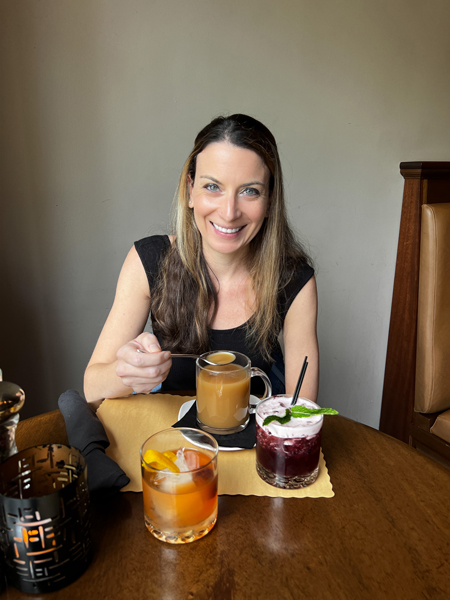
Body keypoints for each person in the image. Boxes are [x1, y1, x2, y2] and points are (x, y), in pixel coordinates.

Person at [84, 114, 318, 404]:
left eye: (250, 191)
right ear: (189, 190)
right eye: (212, 187)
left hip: (249, 437)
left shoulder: (294, 280)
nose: (229, 212)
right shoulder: (149, 259)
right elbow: (92, 388)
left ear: (269, 201)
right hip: (165, 441)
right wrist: (127, 373)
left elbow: (302, 410)